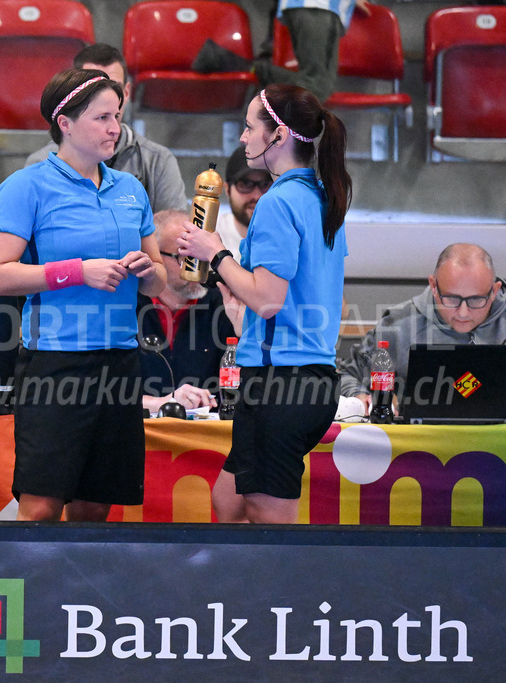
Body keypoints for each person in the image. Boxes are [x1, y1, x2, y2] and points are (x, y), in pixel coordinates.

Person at [0, 68, 166, 522]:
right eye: (102, 117)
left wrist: (149, 270)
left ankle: (78, 595)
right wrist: (77, 272)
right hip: (56, 361)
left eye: (118, 116)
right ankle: (30, 591)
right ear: (64, 123)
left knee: (95, 505)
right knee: (42, 504)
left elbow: (160, 281)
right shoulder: (26, 186)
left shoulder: (131, 189)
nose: (115, 129)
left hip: (120, 359)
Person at [177, 84, 350, 524]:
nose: (242, 137)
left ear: (279, 135)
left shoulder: (278, 202)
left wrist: (214, 252)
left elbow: (269, 300)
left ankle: (287, 594)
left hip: (282, 383)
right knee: (229, 499)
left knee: (271, 528)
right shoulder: (322, 196)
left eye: (250, 127)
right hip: (309, 377)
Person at [340, 243, 506, 420]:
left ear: (495, 291)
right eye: (452, 299)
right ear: (433, 286)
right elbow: (346, 374)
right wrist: (360, 397)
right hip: (425, 452)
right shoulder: (399, 325)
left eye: (477, 300)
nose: (463, 312)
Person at [24, 44, 188, 213]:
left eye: (114, 87)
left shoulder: (157, 161)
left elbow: (174, 232)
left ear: (126, 92)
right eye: (94, 91)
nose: (107, 96)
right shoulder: (39, 166)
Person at [140, 209, 242, 415]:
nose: (198, 270)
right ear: (154, 258)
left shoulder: (225, 304)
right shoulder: (128, 307)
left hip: (207, 436)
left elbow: (248, 388)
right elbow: (99, 391)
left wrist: (244, 329)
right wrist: (163, 402)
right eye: (185, 258)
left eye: (201, 257)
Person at [254, 0, 371, 104]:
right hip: (316, 6)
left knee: (322, 86)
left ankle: (264, 72)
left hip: (319, 8)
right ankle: (263, 71)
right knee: (316, 84)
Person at [214, 145, 273, 255]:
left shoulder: (292, 237)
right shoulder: (209, 236)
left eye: (265, 184)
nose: (257, 196)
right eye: (245, 185)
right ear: (227, 190)